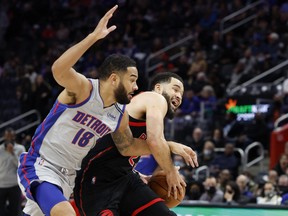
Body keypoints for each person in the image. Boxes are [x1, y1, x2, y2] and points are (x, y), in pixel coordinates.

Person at [17, 6, 192, 216]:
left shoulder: (119, 114)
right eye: (132, 80)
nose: (136, 87)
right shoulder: (84, 90)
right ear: (114, 78)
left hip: (70, 177)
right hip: (42, 165)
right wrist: (92, 37)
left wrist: (168, 146)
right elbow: (58, 70)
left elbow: (127, 148)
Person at [74, 72, 198, 215]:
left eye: (181, 93)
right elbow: (154, 141)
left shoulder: (148, 112)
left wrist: (139, 174)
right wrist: (170, 172)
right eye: (175, 89)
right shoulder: (155, 98)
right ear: (158, 88)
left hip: (125, 178)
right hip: (98, 179)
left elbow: (126, 150)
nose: (179, 96)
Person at [0, 128, 25, 216]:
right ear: (4, 137)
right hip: (1, 185)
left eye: (11, 136)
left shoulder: (20, 148)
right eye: (7, 136)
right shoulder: (0, 149)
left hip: (14, 184)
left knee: (15, 211)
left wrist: (12, 153)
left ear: (14, 137)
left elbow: (21, 166)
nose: (9, 138)